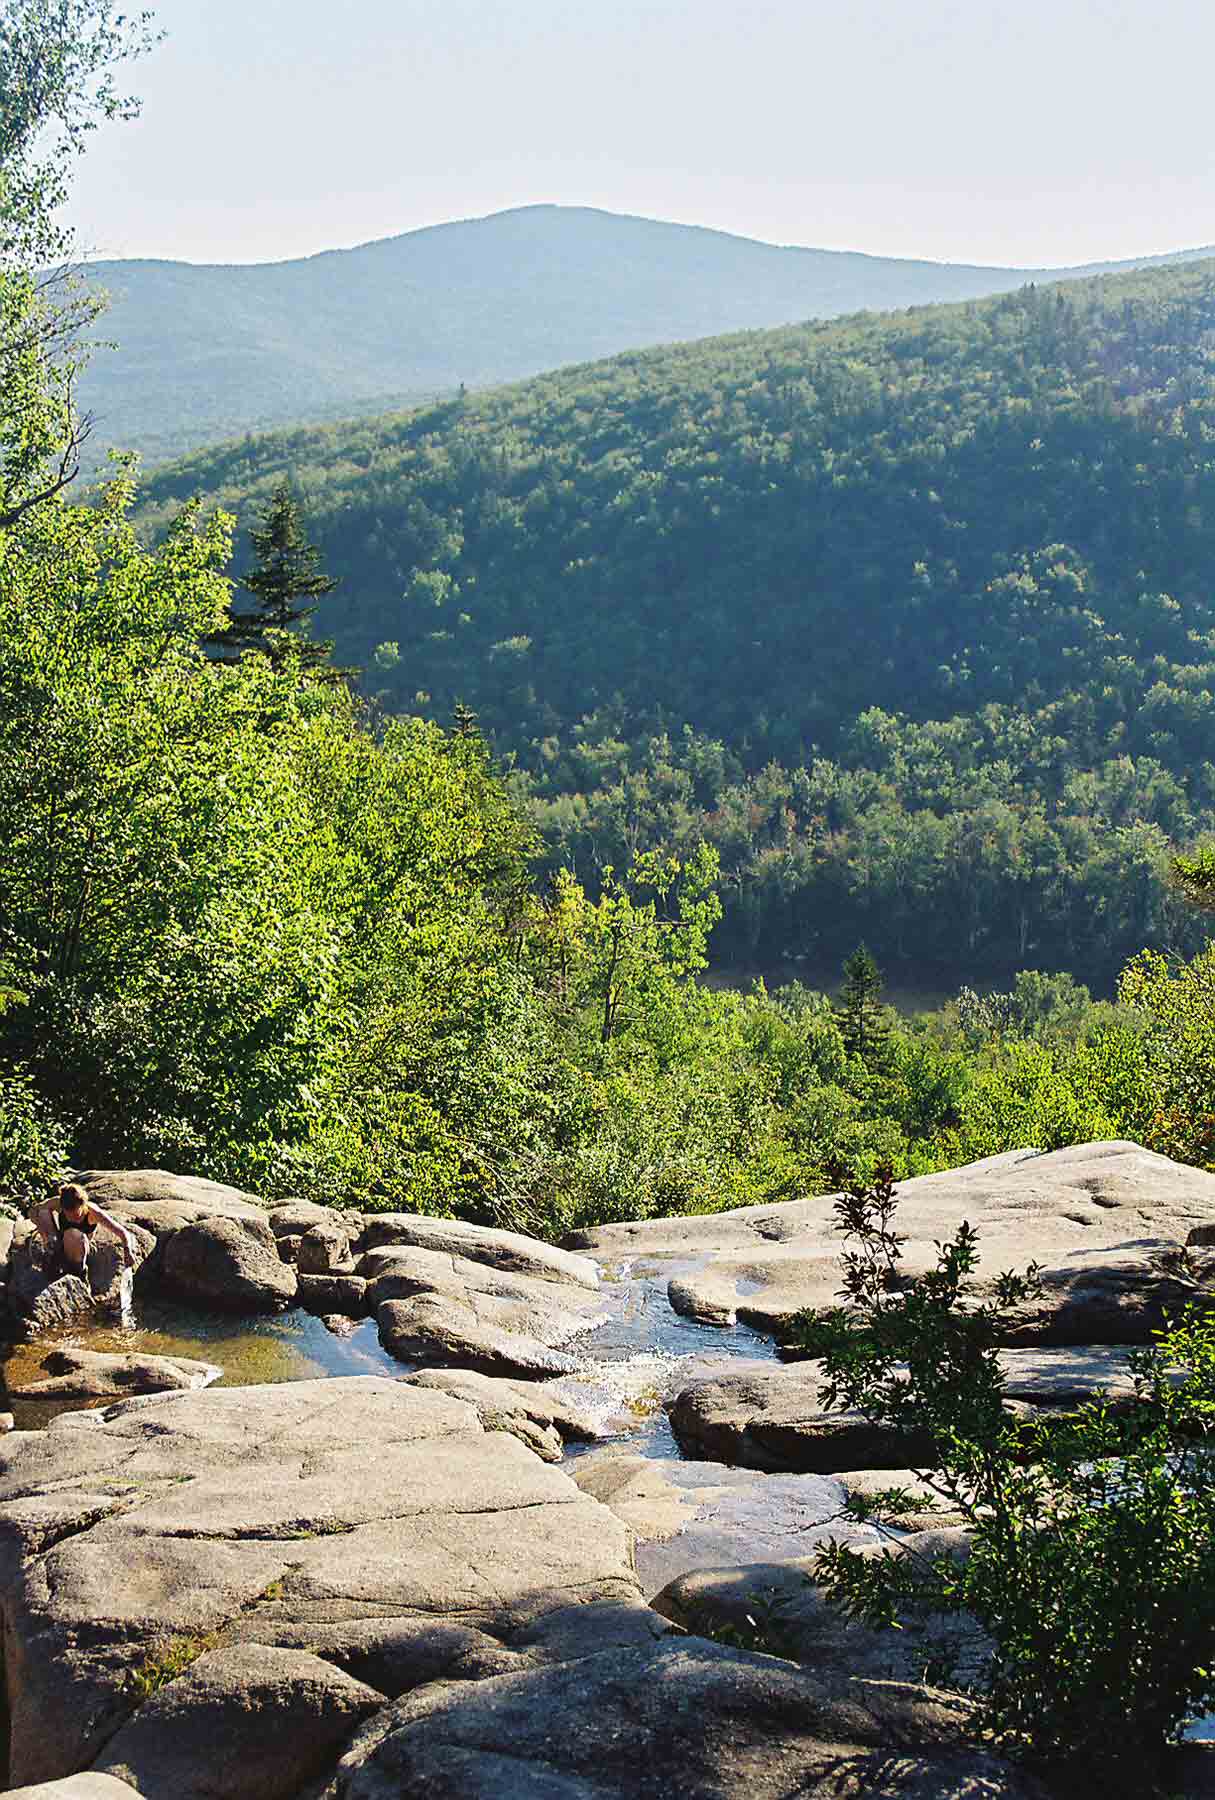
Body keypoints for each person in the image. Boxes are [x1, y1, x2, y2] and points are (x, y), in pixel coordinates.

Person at [33, 1183, 136, 1284]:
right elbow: (35, 1210)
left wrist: (127, 1251)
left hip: (79, 1247)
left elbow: (122, 1232)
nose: (72, 1218)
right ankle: (53, 1254)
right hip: (61, 1242)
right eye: (68, 1215)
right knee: (43, 1212)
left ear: (82, 1205)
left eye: (76, 1214)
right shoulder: (58, 1202)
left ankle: (79, 1271)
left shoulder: (93, 1213)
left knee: (73, 1234)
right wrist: (45, 1232)